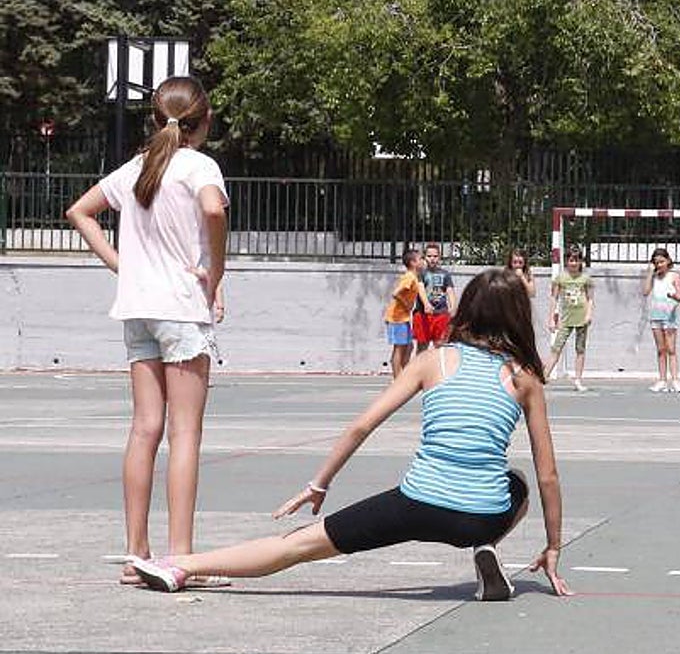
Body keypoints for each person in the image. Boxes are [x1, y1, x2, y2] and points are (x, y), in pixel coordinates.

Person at [129, 269, 571, 600]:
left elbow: (363, 424)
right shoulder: (525, 377)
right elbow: (547, 474)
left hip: (415, 504)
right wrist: (553, 546)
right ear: (517, 318)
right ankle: (484, 547)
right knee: (517, 485)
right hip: (480, 515)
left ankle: (180, 565)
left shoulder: (431, 361)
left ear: (467, 307)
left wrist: (318, 483)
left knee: (298, 546)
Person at [64, 75, 230, 588]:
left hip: (137, 309)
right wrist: (216, 274)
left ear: (156, 120)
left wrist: (123, 266)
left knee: (144, 428)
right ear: (203, 122)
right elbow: (212, 209)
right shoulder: (199, 166)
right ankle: (180, 557)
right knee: (185, 433)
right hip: (180, 309)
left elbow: (79, 211)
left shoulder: (139, 167)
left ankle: (137, 554)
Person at [544, 247, 593, 392]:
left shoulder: (585, 279)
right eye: (571, 260)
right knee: (556, 347)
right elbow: (554, 298)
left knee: (580, 349)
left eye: (576, 260)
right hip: (566, 319)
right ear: (566, 261)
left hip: (581, 317)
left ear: (580, 262)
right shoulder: (560, 278)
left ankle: (578, 379)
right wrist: (552, 318)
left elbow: (590, 299)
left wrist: (589, 314)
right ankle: (544, 375)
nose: (573, 263)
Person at [384, 248, 431, 379]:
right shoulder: (409, 278)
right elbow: (396, 293)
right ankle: (398, 379)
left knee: (408, 346)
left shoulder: (414, 277)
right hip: (396, 318)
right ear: (413, 263)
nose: (424, 261)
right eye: (421, 259)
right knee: (399, 348)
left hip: (402, 318)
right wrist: (406, 304)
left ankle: (405, 375)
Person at [643, 247, 680, 392]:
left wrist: (673, 296)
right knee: (661, 350)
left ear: (668, 261)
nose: (659, 265)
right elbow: (645, 292)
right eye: (656, 263)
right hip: (656, 315)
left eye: (661, 262)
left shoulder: (674, 276)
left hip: (669, 316)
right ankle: (662, 380)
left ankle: (675, 380)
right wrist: (649, 274)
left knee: (671, 349)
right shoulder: (654, 277)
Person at [413, 243, 455, 353]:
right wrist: (426, 304)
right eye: (429, 256)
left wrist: (453, 307)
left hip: (441, 314)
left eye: (435, 256)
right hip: (423, 314)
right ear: (425, 257)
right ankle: (420, 369)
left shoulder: (445, 274)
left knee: (440, 346)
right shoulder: (421, 273)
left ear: (439, 257)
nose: (432, 259)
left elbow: (450, 290)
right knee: (422, 347)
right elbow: (420, 288)